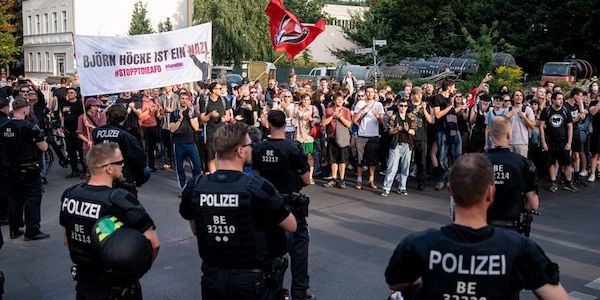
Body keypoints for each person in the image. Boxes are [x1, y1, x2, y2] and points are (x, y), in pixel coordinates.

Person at [384, 153, 569, 300]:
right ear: (490, 193)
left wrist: (436, 273)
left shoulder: (418, 246)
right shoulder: (519, 249)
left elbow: (396, 283)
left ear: (450, 189)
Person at [180, 122, 297, 300]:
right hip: (251, 280)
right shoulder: (257, 187)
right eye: (250, 145)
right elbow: (291, 225)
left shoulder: (195, 186)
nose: (252, 149)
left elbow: (196, 229)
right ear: (240, 151)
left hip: (212, 276)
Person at [60, 143, 160, 299]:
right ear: (108, 168)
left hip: (85, 284)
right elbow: (154, 243)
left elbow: (66, 238)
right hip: (117, 287)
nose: (123, 165)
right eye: (120, 162)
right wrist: (136, 271)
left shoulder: (70, 195)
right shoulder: (120, 199)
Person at [252, 111, 315, 300]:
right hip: (290, 204)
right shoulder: (293, 148)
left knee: (269, 249)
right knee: (299, 245)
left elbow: (256, 177)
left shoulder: (259, 148)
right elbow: (305, 179)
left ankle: (273, 290)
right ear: (284, 125)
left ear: (269, 124)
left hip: (267, 204)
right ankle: (299, 292)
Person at [0, 99, 50, 240]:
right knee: (32, 198)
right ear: (24, 109)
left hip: (9, 168)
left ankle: (14, 229)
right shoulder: (29, 126)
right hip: (28, 167)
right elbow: (43, 147)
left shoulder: (4, 125)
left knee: (14, 198)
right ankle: (32, 230)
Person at [484, 116, 539, 235]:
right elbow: (533, 203)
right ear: (509, 134)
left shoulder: (475, 162)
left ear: (489, 134)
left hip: (482, 228)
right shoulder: (524, 163)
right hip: (511, 229)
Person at [93, 105, 148, 196]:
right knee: (146, 170)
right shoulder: (126, 136)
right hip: (121, 175)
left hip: (100, 171)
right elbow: (139, 158)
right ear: (126, 117)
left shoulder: (96, 132)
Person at [539, 93, 577, 193]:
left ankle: (568, 183)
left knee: (567, 163)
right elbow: (541, 127)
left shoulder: (565, 111)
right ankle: (553, 183)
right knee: (551, 163)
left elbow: (570, 127)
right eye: (559, 99)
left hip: (563, 141)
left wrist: (569, 142)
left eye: (562, 99)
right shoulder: (546, 111)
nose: (561, 101)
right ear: (553, 100)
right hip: (550, 141)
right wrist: (543, 142)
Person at [381, 98, 416, 196]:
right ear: (397, 106)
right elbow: (389, 131)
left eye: (405, 106)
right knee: (392, 167)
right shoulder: (393, 117)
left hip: (407, 145)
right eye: (401, 105)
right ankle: (386, 187)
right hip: (396, 144)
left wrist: (407, 129)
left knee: (405, 168)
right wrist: (396, 129)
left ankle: (402, 187)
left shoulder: (411, 117)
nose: (403, 108)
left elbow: (413, 131)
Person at [352, 86, 385, 190]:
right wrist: (362, 109)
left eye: (372, 92)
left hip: (373, 135)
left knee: (372, 159)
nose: (370, 94)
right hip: (362, 135)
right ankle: (359, 179)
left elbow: (381, 122)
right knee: (360, 159)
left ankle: (371, 179)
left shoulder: (378, 104)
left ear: (375, 93)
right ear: (365, 93)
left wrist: (378, 116)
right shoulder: (360, 103)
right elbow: (354, 119)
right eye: (368, 92)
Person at [169, 91, 202, 193]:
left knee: (197, 166)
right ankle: (183, 188)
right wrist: (180, 118)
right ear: (179, 100)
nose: (184, 101)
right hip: (178, 143)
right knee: (180, 167)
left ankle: (195, 186)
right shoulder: (174, 113)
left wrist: (191, 116)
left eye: (186, 99)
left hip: (191, 142)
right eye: (182, 98)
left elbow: (196, 127)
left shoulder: (193, 112)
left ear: (189, 100)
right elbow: (172, 129)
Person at [199, 82, 233, 173]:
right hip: (210, 133)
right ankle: (212, 175)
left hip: (222, 133)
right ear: (213, 90)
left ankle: (220, 173)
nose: (221, 90)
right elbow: (202, 118)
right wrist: (210, 115)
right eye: (219, 88)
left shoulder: (224, 100)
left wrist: (224, 118)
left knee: (222, 155)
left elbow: (228, 116)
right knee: (211, 156)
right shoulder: (204, 100)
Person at [321, 93, 352, 189]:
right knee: (333, 159)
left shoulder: (346, 110)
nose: (340, 101)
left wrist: (340, 117)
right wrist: (333, 116)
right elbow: (323, 123)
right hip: (332, 137)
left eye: (341, 99)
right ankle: (334, 178)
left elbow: (349, 124)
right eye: (338, 99)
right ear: (334, 100)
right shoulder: (328, 110)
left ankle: (342, 179)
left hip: (343, 138)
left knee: (342, 160)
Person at [60, 87, 87, 179]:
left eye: (72, 92)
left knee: (81, 151)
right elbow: (62, 115)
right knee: (71, 152)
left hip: (78, 130)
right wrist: (62, 125)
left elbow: (84, 116)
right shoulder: (64, 104)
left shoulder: (80, 104)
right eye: (68, 92)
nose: (70, 94)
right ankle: (74, 170)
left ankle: (85, 170)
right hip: (68, 131)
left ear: (75, 94)